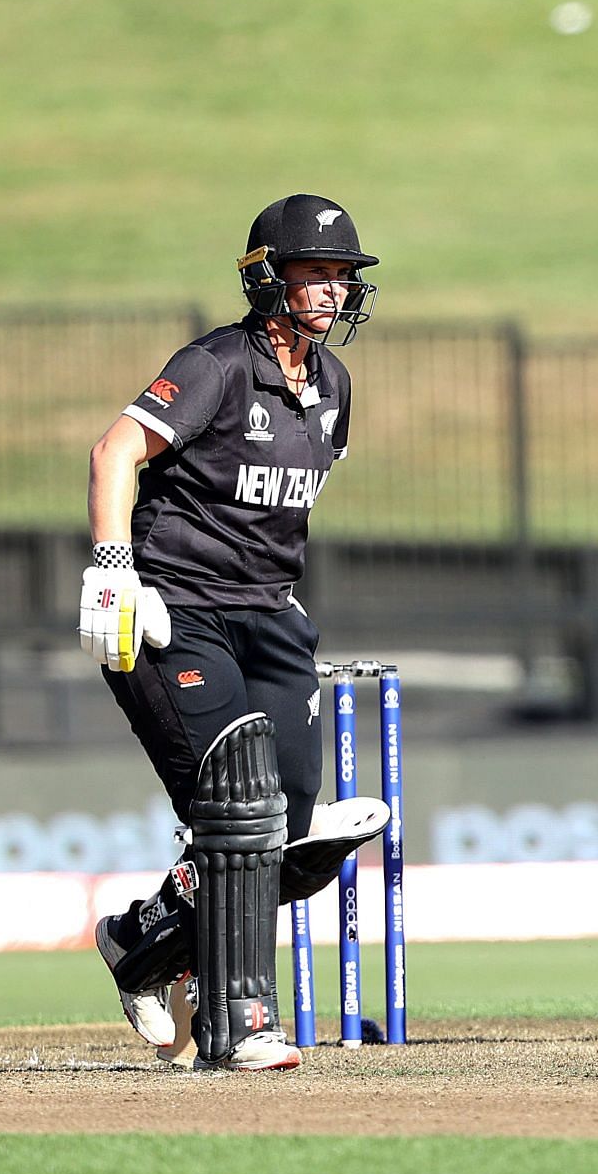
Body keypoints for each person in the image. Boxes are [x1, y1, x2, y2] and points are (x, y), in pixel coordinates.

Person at [79, 194, 394, 1071]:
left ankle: (141, 942)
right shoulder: (217, 363)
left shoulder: (333, 385)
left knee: (294, 840)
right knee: (238, 813)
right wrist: (112, 569)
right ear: (267, 277)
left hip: (268, 615)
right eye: (315, 274)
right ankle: (240, 1025)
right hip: (177, 609)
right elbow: (115, 452)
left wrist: (282, 605)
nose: (332, 291)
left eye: (343, 277)